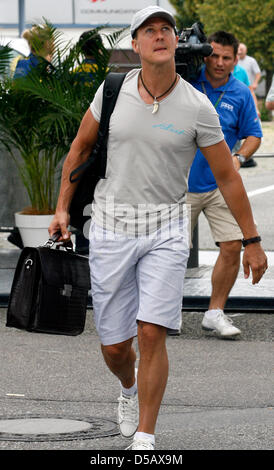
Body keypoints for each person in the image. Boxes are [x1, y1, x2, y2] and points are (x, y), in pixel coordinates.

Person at [49, 7, 267, 450]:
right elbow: (80, 147)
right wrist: (61, 210)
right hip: (111, 226)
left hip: (166, 226)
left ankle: (146, 436)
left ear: (174, 40)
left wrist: (253, 240)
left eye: (165, 28)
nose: (160, 35)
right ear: (136, 45)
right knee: (114, 346)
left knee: (152, 331)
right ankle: (129, 388)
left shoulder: (197, 105)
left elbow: (228, 176)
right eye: (149, 30)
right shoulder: (111, 91)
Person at [187, 31, 264, 339]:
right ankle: (162, 314)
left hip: (221, 185)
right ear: (206, 55)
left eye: (226, 58)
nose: (219, 63)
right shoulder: (188, 83)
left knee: (232, 245)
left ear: (236, 59)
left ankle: (214, 313)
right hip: (181, 184)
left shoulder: (242, 92)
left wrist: (240, 158)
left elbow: (254, 135)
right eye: (214, 56)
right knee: (172, 251)